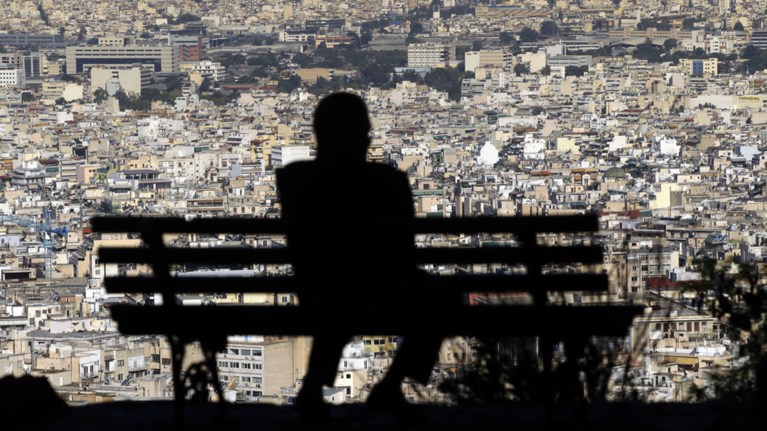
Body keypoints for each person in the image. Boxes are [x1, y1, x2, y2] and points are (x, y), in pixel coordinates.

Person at [276, 92, 441, 421]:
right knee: (439, 298)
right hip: (377, 291)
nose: (366, 139)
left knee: (338, 294)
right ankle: (390, 386)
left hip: (317, 291)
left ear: (320, 133)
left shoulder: (295, 178)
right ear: (357, 135)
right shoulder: (388, 181)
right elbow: (405, 253)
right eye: (364, 131)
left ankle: (313, 386)